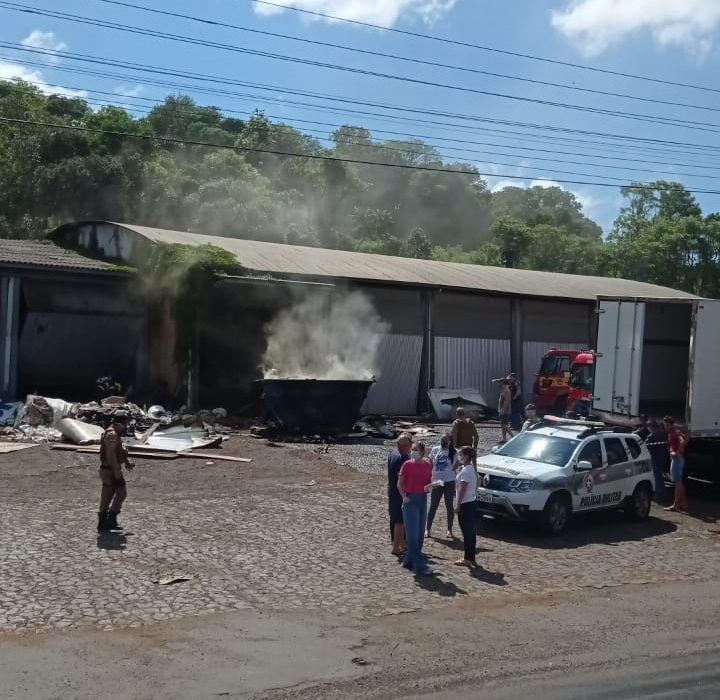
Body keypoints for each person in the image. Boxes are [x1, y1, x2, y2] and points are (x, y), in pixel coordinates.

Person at [397, 441, 434, 576]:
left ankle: (409, 561)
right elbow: (400, 483)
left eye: (416, 450)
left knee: (419, 535)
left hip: (422, 499)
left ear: (423, 452)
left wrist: (431, 486)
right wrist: (403, 496)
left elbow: (428, 482)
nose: (413, 452)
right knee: (412, 535)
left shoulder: (427, 465)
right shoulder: (407, 465)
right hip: (410, 500)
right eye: (412, 449)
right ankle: (419, 566)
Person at [97, 420, 134, 532]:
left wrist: (126, 461)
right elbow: (111, 455)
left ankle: (105, 522)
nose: (124, 427)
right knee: (119, 493)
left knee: (109, 495)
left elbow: (120, 450)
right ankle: (109, 520)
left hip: (110, 469)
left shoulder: (114, 434)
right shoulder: (112, 435)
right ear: (117, 423)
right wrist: (117, 472)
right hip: (110, 471)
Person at [426, 434, 456, 539]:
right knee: (433, 505)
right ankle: (428, 528)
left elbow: (458, 464)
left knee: (449, 506)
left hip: (449, 482)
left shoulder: (454, 452)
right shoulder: (435, 449)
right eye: (442, 439)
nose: (443, 441)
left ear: (450, 441)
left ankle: (449, 529)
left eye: (445, 440)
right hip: (437, 482)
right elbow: (429, 463)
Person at [387, 434, 412, 556]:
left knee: (394, 517)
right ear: (406, 446)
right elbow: (403, 478)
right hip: (400, 493)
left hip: (392, 490)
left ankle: (397, 543)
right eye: (409, 445)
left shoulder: (392, 453)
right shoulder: (403, 458)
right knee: (400, 521)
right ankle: (397, 546)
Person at [454, 446, 479, 567]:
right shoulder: (471, 469)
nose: (459, 457)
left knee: (467, 532)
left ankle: (468, 558)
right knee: (470, 532)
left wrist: (458, 505)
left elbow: (463, 489)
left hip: (466, 504)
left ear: (467, 456)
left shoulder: (466, 471)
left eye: (461, 454)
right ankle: (471, 557)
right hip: (471, 501)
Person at [663, 416, 688, 513]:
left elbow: (682, 441)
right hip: (678, 459)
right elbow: (686, 439)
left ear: (670, 424)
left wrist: (677, 452)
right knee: (679, 482)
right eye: (665, 424)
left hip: (677, 459)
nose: (665, 425)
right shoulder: (672, 432)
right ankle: (683, 503)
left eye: (666, 424)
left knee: (677, 482)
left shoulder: (674, 432)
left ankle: (675, 505)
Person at [646, 419, 669, 504]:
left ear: (651, 426)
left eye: (648, 427)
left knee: (657, 477)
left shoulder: (651, 436)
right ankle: (663, 494)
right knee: (660, 477)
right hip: (661, 458)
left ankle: (659, 496)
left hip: (654, 458)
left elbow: (645, 446)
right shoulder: (662, 433)